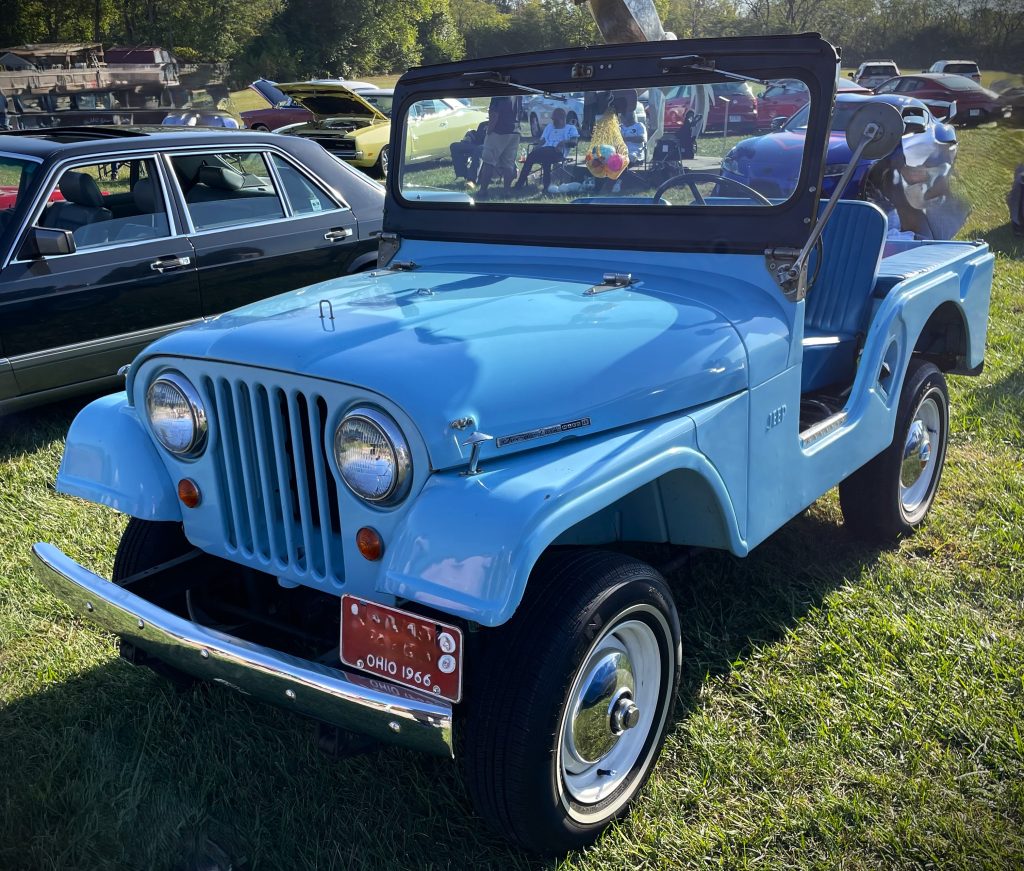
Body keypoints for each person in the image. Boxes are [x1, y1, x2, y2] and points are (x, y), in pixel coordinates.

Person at [513, 107, 579, 192]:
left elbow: (574, 141)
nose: (553, 120)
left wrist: (563, 142)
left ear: (561, 118)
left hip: (558, 153)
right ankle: (520, 184)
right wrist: (536, 147)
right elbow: (543, 140)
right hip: (545, 151)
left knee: (546, 156)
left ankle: (545, 186)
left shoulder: (570, 128)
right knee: (532, 157)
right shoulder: (550, 127)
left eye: (554, 119)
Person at [476, 96, 521, 197]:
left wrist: (489, 130)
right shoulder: (517, 94)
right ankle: (506, 191)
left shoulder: (498, 94)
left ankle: (483, 191)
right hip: (515, 131)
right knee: (508, 164)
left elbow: (494, 114)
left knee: (488, 162)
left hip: (498, 131)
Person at [450, 119, 489, 187]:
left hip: (491, 146)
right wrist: (471, 135)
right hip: (477, 145)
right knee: (454, 146)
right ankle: (462, 175)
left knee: (479, 149)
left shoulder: (501, 125)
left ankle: (471, 180)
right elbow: (477, 138)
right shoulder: (483, 124)